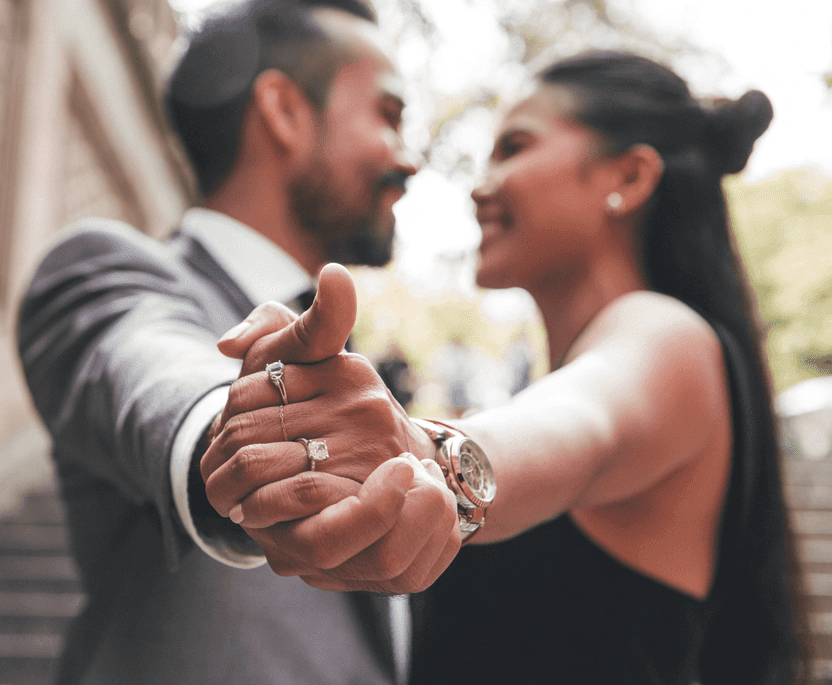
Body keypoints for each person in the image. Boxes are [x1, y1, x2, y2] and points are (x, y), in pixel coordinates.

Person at [201, 51, 807, 683]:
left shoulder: (664, 334)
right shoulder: (590, 364)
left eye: (514, 147)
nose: (479, 185)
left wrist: (420, 452)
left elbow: (579, 423)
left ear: (628, 178)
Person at [15, 0, 434, 684]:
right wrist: (241, 429)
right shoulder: (110, 273)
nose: (408, 158)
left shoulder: (348, 363)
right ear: (284, 111)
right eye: (388, 115)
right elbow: (147, 367)